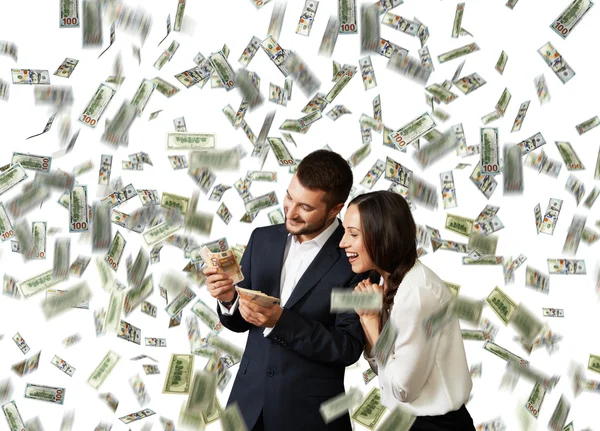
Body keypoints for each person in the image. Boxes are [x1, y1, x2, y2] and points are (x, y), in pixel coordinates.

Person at [204, 149, 375, 431]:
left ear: (335, 209)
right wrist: (228, 300)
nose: (291, 212)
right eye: (289, 197)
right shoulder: (262, 239)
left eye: (306, 207)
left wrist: (280, 321)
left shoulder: (353, 261)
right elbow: (239, 321)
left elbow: (347, 347)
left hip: (309, 417)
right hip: (246, 408)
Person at [339, 190, 476, 431]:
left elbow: (402, 388)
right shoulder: (392, 283)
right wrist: (371, 321)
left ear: (382, 235)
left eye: (353, 234)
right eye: (344, 232)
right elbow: (385, 367)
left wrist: (371, 321)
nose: (343, 243)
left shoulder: (416, 294)